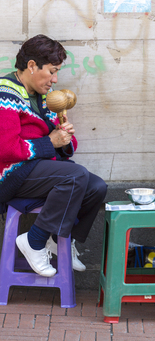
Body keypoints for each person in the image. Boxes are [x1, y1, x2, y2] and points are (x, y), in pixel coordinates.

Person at [0, 34, 107, 277]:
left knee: (97, 187)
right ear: (31, 66)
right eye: (51, 71)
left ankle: (60, 241)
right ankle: (34, 241)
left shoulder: (46, 98)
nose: (55, 79)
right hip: (10, 176)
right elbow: (5, 148)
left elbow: (64, 146)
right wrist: (50, 142)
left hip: (38, 171)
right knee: (75, 175)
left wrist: (65, 137)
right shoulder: (5, 93)